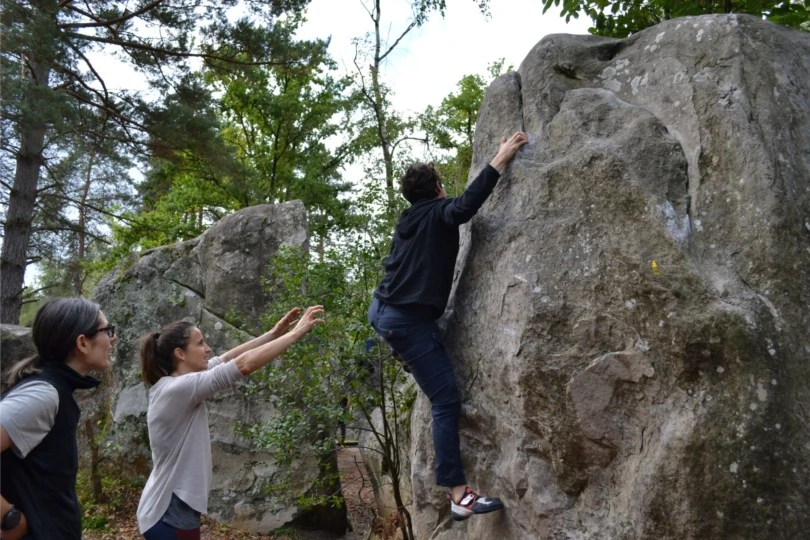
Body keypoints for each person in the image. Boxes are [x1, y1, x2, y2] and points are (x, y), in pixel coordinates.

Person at [367, 131, 528, 521]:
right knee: (445, 402)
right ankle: (459, 495)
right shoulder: (439, 213)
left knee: (420, 357)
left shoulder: (408, 219)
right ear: (438, 189)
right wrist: (501, 158)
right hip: (407, 321)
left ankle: (407, 355)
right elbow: (465, 206)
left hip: (380, 310)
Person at [136, 305, 324, 539]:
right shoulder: (178, 389)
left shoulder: (177, 384)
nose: (208, 348)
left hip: (170, 510)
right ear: (180, 353)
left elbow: (227, 359)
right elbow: (243, 365)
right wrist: (295, 334)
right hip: (168, 513)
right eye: (200, 343)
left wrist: (273, 334)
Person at [0, 298, 117, 540]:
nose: (113, 338)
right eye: (107, 330)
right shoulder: (43, 394)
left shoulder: (56, 388)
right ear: (82, 343)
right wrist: (9, 519)